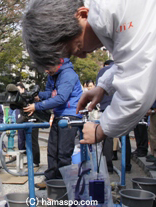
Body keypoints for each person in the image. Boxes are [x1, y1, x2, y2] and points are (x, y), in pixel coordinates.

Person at [22, 0, 156, 145]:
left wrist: (102, 129)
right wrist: (103, 87)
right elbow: (130, 59)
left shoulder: (117, 10)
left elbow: (137, 87)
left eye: (78, 48)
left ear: (83, 15)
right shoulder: (113, 15)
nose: (83, 56)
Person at [23, 58, 83, 189]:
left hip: (70, 114)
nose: (46, 71)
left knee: (63, 152)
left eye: (47, 67)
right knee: (52, 150)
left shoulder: (68, 74)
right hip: (58, 114)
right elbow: (51, 93)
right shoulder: (52, 74)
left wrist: (37, 106)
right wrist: (39, 96)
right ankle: (50, 179)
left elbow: (61, 97)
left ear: (57, 63)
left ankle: (62, 183)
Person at [96, 60, 132, 172]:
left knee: (107, 136)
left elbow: (99, 88)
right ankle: (126, 165)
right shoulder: (124, 68)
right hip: (122, 105)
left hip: (106, 105)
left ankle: (108, 165)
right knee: (124, 135)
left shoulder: (102, 71)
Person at [15, 82, 40, 167]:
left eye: (19, 90)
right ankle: (30, 159)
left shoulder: (30, 96)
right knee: (25, 141)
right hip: (24, 119)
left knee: (33, 141)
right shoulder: (19, 99)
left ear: (23, 89)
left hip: (33, 120)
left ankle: (36, 161)